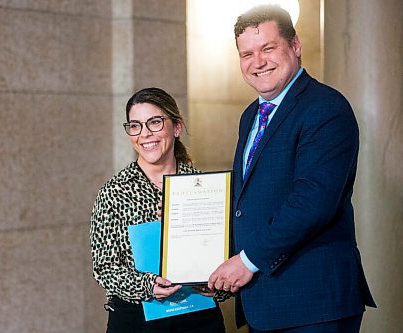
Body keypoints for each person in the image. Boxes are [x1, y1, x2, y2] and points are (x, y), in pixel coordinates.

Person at [207, 5, 376, 333]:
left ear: (295, 46)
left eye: (268, 48)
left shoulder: (325, 107)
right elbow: (249, 202)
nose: (258, 62)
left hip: (313, 304)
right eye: (247, 54)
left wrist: (245, 260)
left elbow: (312, 201)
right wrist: (207, 264)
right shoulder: (251, 116)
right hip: (267, 301)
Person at [90, 87, 227, 333]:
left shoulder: (207, 188)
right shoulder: (114, 192)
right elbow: (104, 267)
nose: (145, 134)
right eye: (135, 125)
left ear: (176, 127)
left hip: (199, 318)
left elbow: (228, 256)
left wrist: (217, 286)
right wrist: (147, 284)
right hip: (136, 321)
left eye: (155, 122)